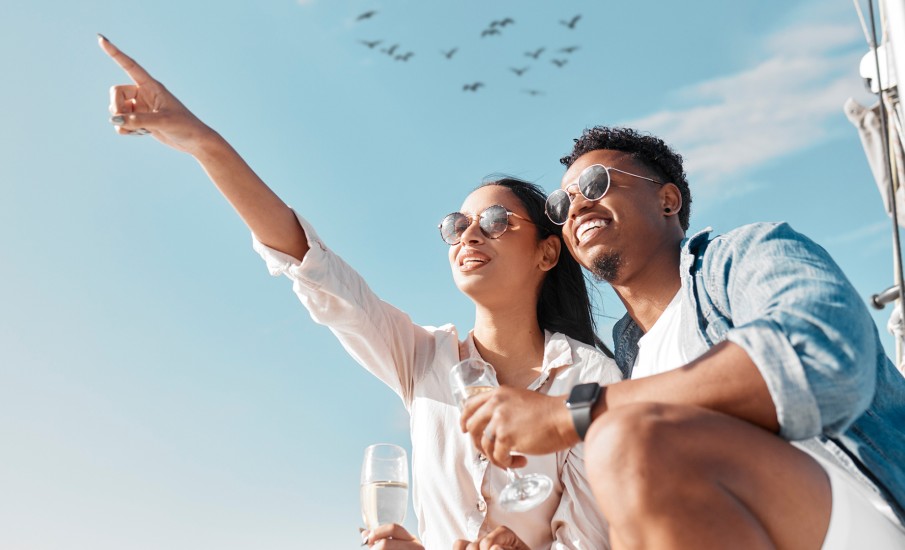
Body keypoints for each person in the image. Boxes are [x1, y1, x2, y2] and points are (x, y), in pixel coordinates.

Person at [98, 36, 623, 549]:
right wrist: (202, 143)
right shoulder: (424, 358)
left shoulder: (588, 377)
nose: (469, 234)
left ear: (547, 254)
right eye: (457, 224)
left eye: (494, 220)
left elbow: (590, 537)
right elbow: (314, 270)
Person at [461, 126, 905, 548]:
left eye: (596, 184)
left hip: (858, 520)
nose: (575, 208)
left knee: (622, 439)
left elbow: (822, 358)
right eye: (562, 204)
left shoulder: (738, 259)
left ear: (668, 200)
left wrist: (571, 414)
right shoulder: (625, 361)